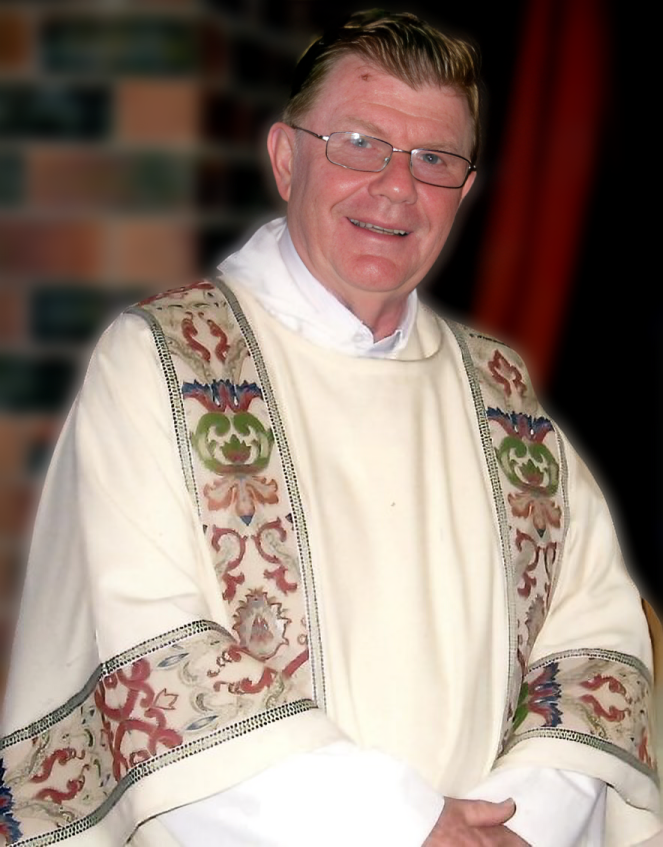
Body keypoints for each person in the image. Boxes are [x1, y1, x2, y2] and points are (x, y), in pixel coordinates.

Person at [0, 10, 660, 847]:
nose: (396, 187)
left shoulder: (502, 396)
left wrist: (515, 824)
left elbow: (593, 640)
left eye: (434, 159)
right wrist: (406, 827)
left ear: (463, 191)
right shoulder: (163, 364)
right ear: (285, 159)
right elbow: (153, 659)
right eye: (357, 144)